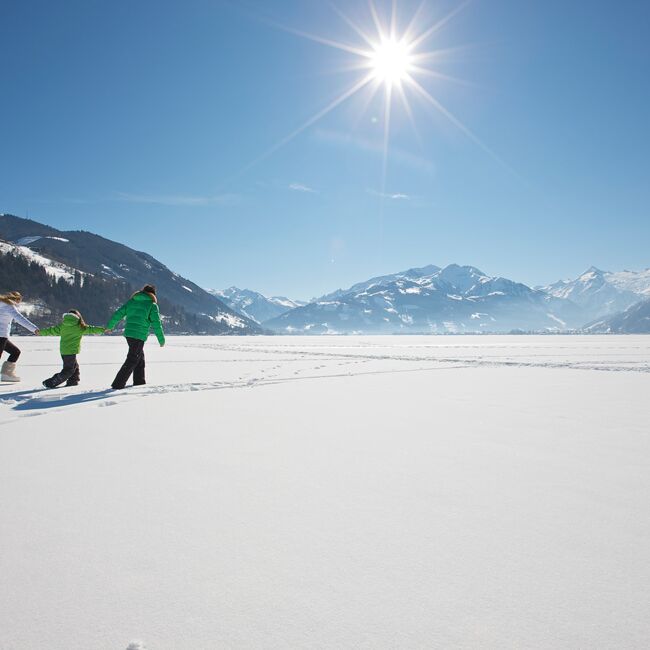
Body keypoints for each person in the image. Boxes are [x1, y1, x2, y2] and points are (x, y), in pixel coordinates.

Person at [106, 284, 165, 389]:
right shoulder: (152, 304)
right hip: (139, 335)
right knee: (133, 359)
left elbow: (118, 313)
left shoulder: (132, 301)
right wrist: (161, 339)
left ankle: (139, 381)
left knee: (139, 357)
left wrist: (110, 326)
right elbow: (156, 323)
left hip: (129, 334)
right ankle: (118, 384)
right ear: (153, 294)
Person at [38, 310, 105, 388]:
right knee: (69, 370)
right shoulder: (80, 327)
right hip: (71, 351)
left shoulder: (62, 326)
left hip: (64, 351)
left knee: (74, 366)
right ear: (78, 317)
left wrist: (41, 332)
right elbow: (92, 329)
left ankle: (73, 381)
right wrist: (103, 330)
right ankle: (50, 382)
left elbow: (51, 330)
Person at [0, 291, 39, 383]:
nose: (20, 302)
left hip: (3, 336)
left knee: (15, 352)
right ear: (16, 299)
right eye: (20, 300)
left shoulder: (2, 304)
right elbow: (20, 319)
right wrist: (34, 329)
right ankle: (6, 374)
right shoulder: (9, 306)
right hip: (1, 336)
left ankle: (7, 374)